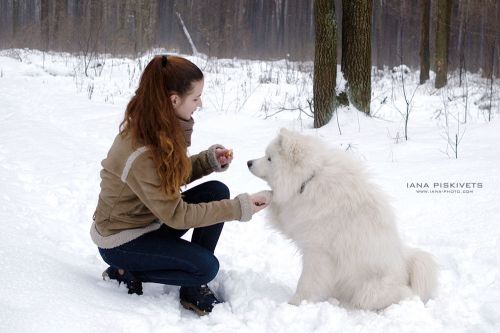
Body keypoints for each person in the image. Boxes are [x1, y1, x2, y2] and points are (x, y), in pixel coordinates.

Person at [90, 55, 270, 316]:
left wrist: (207, 162)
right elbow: (177, 216)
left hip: (148, 221)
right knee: (206, 267)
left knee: (215, 192)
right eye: (196, 98)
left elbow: (168, 176)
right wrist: (238, 209)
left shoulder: (157, 126)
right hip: (121, 241)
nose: (200, 103)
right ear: (174, 100)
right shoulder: (141, 150)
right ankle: (126, 270)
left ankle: (192, 288)